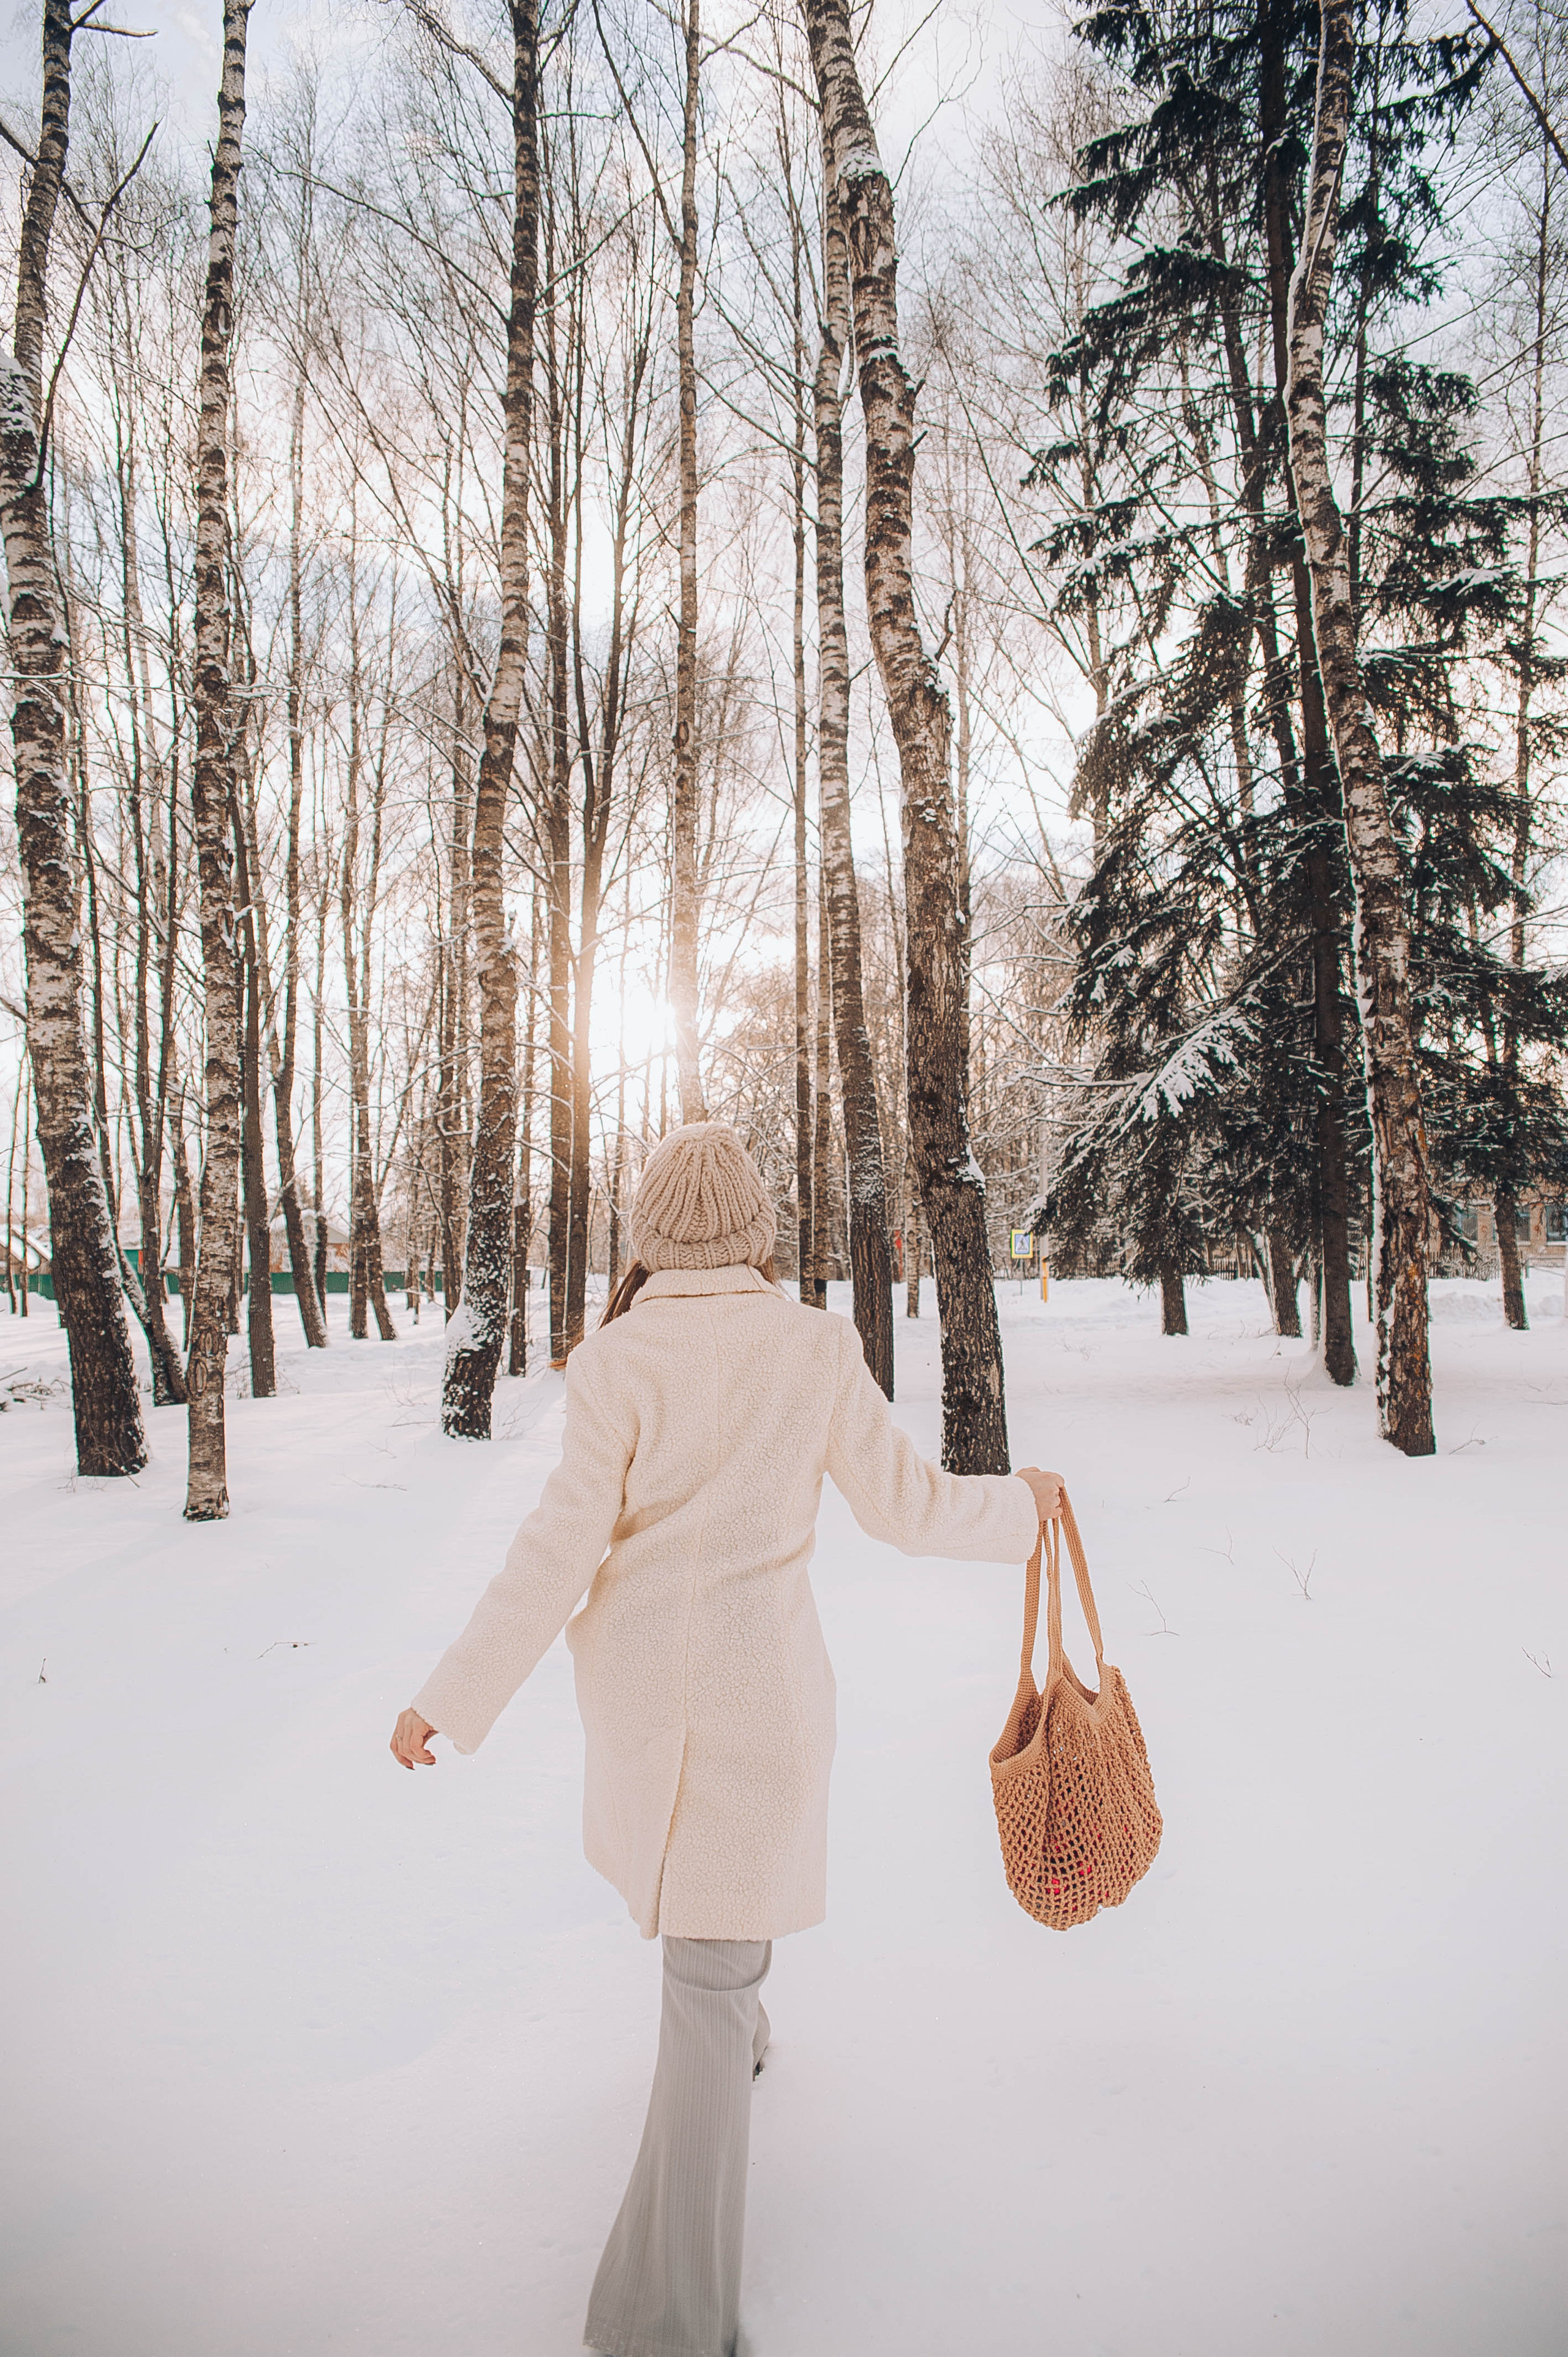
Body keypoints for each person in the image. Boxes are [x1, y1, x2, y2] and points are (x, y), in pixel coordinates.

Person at [390, 1122, 1063, 2357]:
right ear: (756, 1232)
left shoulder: (614, 1358)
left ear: (651, 1239)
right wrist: (1025, 1508)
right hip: (761, 1702)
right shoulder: (810, 1345)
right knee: (709, 1965)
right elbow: (907, 1507)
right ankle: (664, 2321)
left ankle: (737, 2030)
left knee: (712, 1930)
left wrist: (451, 1693)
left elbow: (555, 1551)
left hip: (644, 1700)